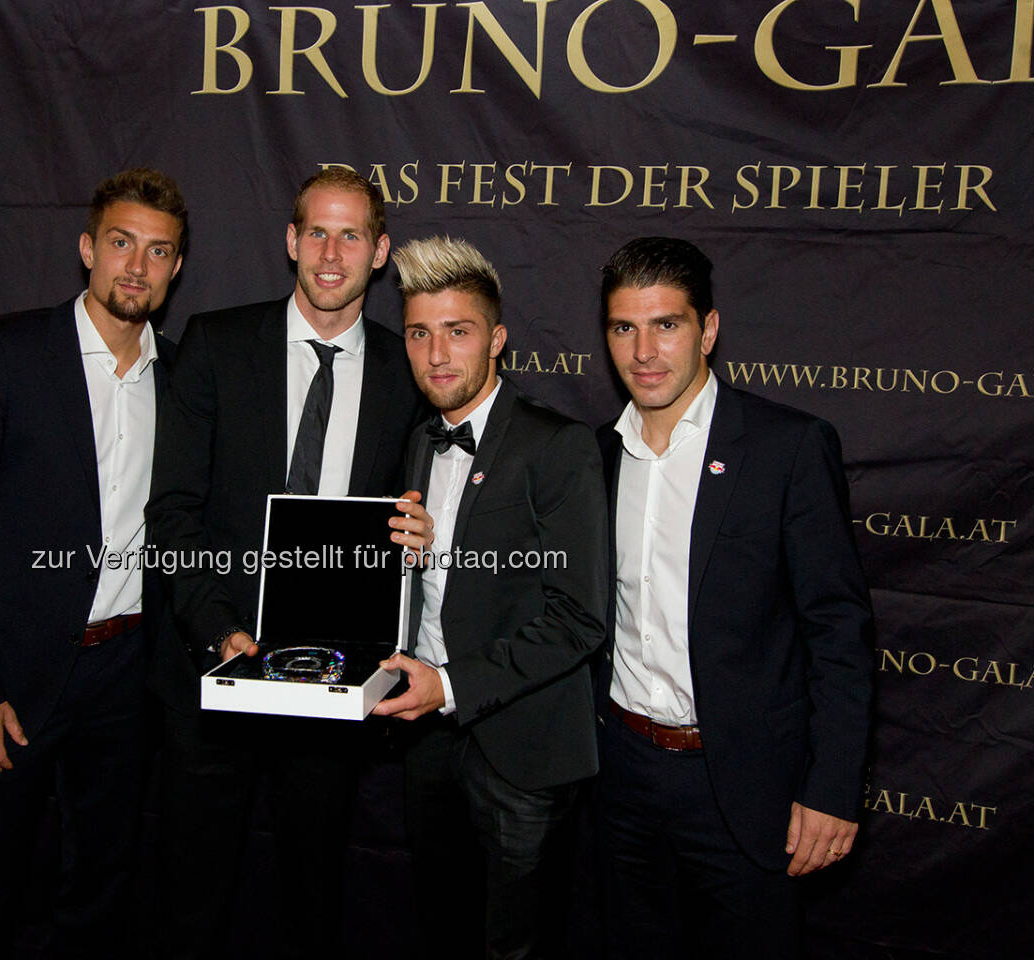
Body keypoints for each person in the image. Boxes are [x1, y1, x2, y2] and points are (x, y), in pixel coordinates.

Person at [146, 167, 429, 959]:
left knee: (314, 896)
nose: (331, 253)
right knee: (191, 898)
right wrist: (221, 631)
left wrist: (421, 530)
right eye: (317, 232)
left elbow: (416, 507)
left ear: (380, 252)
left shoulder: (408, 370)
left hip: (333, 681)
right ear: (289, 242)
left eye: (351, 235)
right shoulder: (216, 342)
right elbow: (172, 510)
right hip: (217, 669)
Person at [0, 168, 187, 958]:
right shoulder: (1, 351)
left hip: (129, 678)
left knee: (100, 900)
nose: (136, 267)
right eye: (121, 243)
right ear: (86, 249)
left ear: (176, 268)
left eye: (158, 252)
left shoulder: (181, 377)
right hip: (8, 679)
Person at [593, 236, 874, 958]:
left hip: (745, 788)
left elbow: (839, 631)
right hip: (620, 777)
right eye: (624, 327)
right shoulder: (592, 456)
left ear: (708, 329)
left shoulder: (787, 447)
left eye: (667, 324)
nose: (644, 350)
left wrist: (834, 787)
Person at [371, 236, 607, 960]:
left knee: (516, 945)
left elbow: (579, 616)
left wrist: (450, 684)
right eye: (419, 332)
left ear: (497, 339)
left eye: (458, 330)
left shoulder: (556, 446)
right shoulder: (418, 443)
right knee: (441, 925)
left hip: (523, 750)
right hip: (427, 742)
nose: (437, 352)